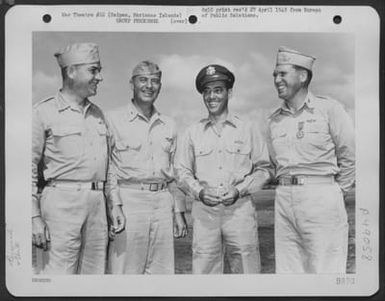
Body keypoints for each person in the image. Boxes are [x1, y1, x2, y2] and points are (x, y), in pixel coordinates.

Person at [176, 64, 271, 274]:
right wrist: (199, 192)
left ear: (229, 92)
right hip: (204, 214)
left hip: (240, 211)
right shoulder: (192, 132)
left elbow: (264, 169)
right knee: (204, 275)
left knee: (247, 273)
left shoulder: (248, 128)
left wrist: (240, 190)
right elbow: (181, 172)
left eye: (218, 90)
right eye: (207, 92)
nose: (212, 97)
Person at [267, 46, 355, 273]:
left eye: (282, 74)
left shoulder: (329, 109)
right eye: (275, 75)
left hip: (321, 197)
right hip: (284, 199)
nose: (276, 79)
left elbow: (350, 156)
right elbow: (274, 163)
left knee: (325, 272)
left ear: (303, 76)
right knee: (289, 275)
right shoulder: (273, 121)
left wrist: (333, 192)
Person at [32, 43, 108, 274]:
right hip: (60, 204)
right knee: (57, 278)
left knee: (94, 281)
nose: (100, 77)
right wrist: (33, 216)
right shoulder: (42, 112)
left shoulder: (98, 114)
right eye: (94, 70)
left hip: (97, 205)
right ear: (71, 71)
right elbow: (26, 169)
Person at [106, 61, 187, 274]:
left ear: (160, 86)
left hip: (162, 202)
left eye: (155, 81)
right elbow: (109, 168)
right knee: (125, 273)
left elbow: (174, 173)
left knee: (162, 274)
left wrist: (178, 211)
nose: (149, 86)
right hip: (129, 200)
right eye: (143, 80)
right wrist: (115, 204)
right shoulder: (113, 119)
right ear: (131, 83)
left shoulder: (169, 124)